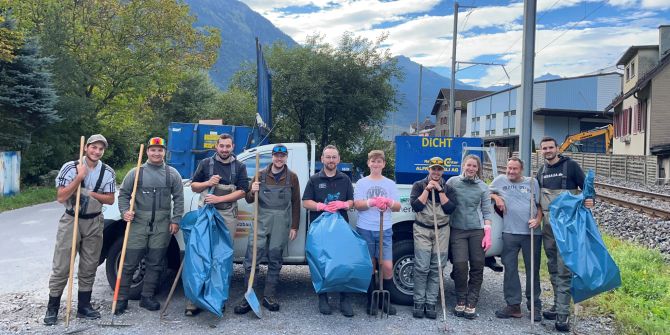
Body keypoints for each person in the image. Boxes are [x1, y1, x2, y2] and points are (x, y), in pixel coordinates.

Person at [44, 134, 116, 325]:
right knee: (62, 265)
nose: (97, 151)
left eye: (101, 149)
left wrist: (90, 193)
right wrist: (79, 178)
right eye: (94, 147)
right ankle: (52, 308)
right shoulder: (70, 167)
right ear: (86, 148)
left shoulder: (108, 172)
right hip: (71, 219)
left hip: (94, 221)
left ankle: (84, 306)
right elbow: (61, 196)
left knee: (90, 265)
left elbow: (110, 199)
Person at [115, 137, 184, 314]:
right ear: (147, 152)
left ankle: (147, 297)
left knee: (155, 263)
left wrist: (176, 220)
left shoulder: (172, 174)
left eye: (159, 150)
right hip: (138, 223)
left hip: (162, 224)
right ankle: (121, 298)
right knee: (130, 262)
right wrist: (124, 211)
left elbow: (178, 198)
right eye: (153, 149)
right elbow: (123, 194)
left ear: (164, 152)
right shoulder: (136, 172)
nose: (156, 153)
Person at [234, 144, 301, 314]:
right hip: (261, 222)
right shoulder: (260, 175)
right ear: (272, 157)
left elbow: (295, 203)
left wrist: (294, 226)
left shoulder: (292, 177)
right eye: (276, 155)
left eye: (282, 156)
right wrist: (252, 190)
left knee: (275, 260)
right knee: (251, 260)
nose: (279, 159)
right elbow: (249, 199)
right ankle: (248, 295)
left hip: (281, 223)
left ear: (286, 158)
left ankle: (269, 296)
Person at [187, 133, 249, 315]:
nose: (224, 149)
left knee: (221, 258)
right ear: (216, 146)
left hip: (227, 215)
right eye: (221, 146)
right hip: (205, 214)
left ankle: (218, 298)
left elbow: (243, 191)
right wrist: (207, 182)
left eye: (227, 146)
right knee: (201, 254)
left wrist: (219, 198)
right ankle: (194, 300)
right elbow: (194, 186)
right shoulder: (205, 164)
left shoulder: (239, 167)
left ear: (233, 147)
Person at [536, 137, 594, 332]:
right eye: (544, 148)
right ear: (540, 150)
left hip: (567, 229)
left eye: (551, 147)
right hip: (548, 227)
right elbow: (537, 201)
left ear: (557, 148)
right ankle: (556, 304)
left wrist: (589, 200)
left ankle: (563, 315)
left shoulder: (571, 166)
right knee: (552, 266)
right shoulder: (541, 171)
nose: (548, 150)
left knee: (564, 269)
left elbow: (588, 188)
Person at [302, 145, 355, 317]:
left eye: (334, 157)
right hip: (320, 229)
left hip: (340, 229)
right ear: (322, 159)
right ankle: (323, 298)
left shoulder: (345, 180)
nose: (331, 160)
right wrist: (321, 206)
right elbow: (305, 202)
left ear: (338, 160)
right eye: (328, 157)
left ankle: (344, 299)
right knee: (321, 263)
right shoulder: (314, 180)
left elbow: (352, 202)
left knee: (343, 263)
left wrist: (344, 204)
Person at [490, 157, 543, 321]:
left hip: (531, 233)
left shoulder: (532, 182)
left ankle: (534, 306)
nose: (511, 171)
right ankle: (513, 305)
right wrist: (496, 197)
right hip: (509, 233)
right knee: (510, 269)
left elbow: (540, 205)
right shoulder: (500, 180)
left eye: (515, 169)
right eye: (509, 168)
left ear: (521, 170)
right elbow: (485, 191)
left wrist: (538, 220)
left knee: (532, 269)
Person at [353, 150, 401, 316]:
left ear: (384, 164)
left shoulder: (390, 184)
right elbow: (357, 205)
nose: (376, 164)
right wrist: (371, 202)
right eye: (373, 161)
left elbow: (398, 206)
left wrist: (388, 202)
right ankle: (371, 300)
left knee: (386, 266)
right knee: (370, 266)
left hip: (385, 229)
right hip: (365, 228)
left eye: (379, 161)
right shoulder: (361, 183)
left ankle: (384, 300)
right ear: (368, 163)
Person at [446, 154, 493, 320]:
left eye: (474, 166)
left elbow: (487, 210)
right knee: (459, 266)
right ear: (463, 166)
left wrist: (487, 232)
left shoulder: (482, 187)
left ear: (478, 168)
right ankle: (460, 299)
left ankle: (471, 302)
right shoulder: (452, 182)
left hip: (476, 230)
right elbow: (445, 202)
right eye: (469, 165)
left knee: (477, 266)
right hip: (457, 230)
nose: (471, 168)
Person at [409, 157, 456, 319]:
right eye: (433, 169)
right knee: (422, 267)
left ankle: (431, 302)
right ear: (428, 169)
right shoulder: (418, 185)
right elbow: (416, 206)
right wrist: (428, 190)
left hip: (442, 231)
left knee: (437, 268)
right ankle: (419, 302)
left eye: (439, 169)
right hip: (422, 229)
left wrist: (440, 191)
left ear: (443, 171)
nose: (436, 172)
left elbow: (450, 208)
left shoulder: (448, 188)